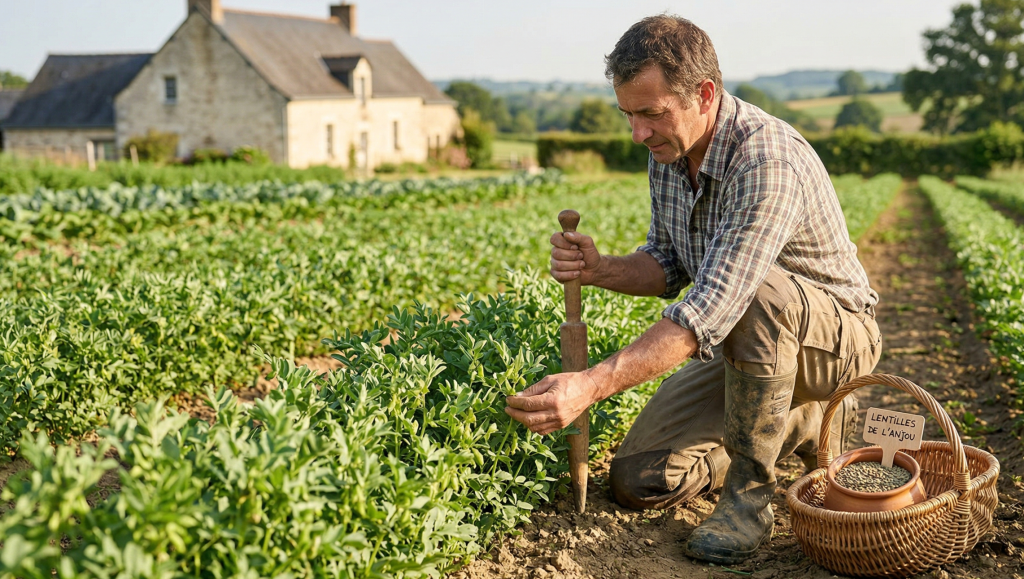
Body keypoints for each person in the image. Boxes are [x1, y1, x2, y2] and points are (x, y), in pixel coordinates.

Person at [504, 15, 882, 564]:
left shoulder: (766, 161)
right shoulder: (670, 153)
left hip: (833, 345)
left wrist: (589, 385)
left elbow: (711, 307)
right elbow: (668, 265)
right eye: (628, 114)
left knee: (758, 292)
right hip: (748, 343)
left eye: (651, 113)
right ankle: (794, 420)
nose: (637, 133)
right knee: (639, 478)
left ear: (704, 94)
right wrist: (601, 268)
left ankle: (749, 501)